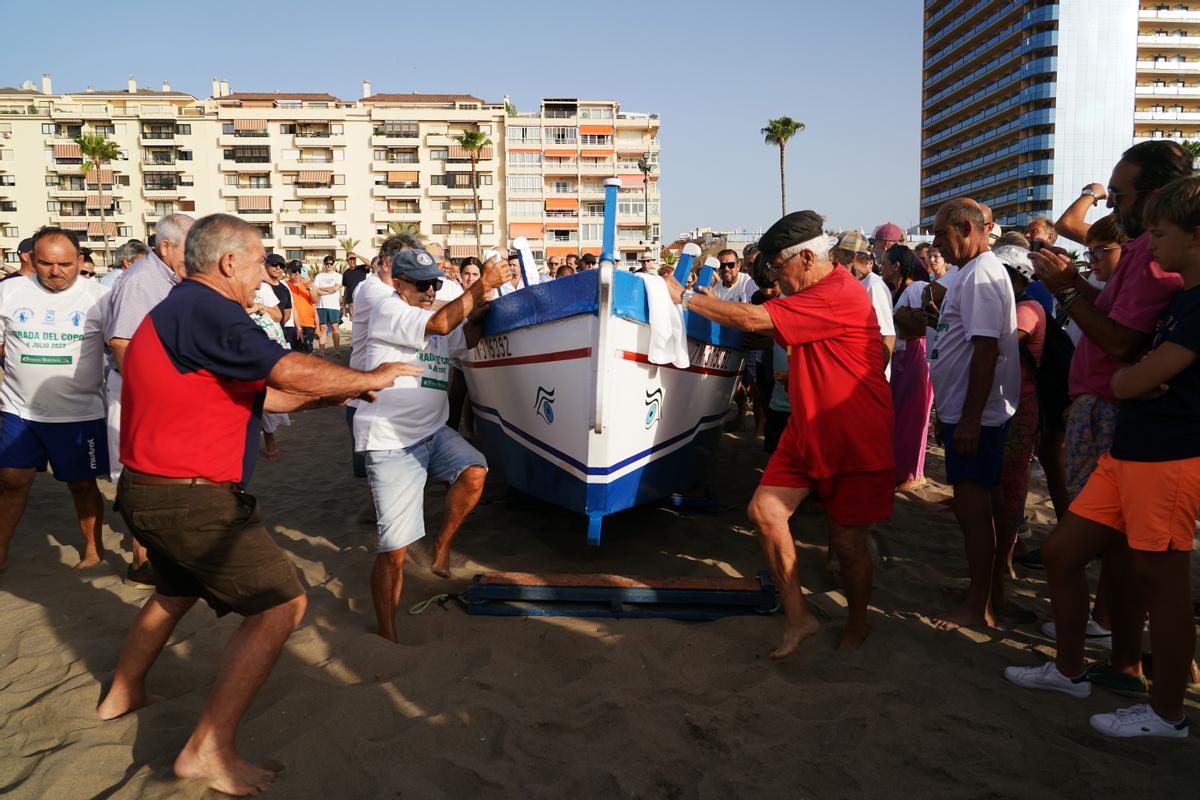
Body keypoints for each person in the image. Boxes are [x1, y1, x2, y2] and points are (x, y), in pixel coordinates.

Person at [95, 214, 420, 796]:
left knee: (173, 592)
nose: (263, 275)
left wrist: (341, 393)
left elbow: (267, 393)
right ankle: (208, 748)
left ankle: (122, 692)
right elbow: (285, 367)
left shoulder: (177, 313)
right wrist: (364, 373)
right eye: (258, 263)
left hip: (148, 491)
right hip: (190, 496)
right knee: (281, 607)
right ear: (228, 262)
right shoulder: (208, 308)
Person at [1005, 174, 1200, 739]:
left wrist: (1134, 379)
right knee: (1064, 553)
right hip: (1130, 452)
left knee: (1162, 585)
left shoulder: (1196, 306)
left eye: (1161, 234)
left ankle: (1166, 714)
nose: (1151, 246)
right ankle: (1069, 669)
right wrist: (1135, 378)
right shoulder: (1182, 298)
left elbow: (1135, 375)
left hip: (1167, 458)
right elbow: (1136, 372)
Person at [665, 211, 895, 654]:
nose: (775, 278)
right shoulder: (819, 292)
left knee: (848, 545)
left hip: (855, 434)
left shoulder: (836, 292)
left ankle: (859, 623)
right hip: (808, 427)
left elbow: (754, 321)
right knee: (765, 512)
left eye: (778, 268)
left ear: (807, 257)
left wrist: (686, 299)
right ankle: (799, 617)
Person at [355, 249, 512, 642]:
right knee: (394, 550)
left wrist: (480, 311)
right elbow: (442, 325)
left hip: (433, 431)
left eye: (435, 284)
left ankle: (441, 546)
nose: (429, 291)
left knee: (475, 471)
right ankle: (387, 631)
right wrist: (482, 285)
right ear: (399, 284)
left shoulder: (433, 314)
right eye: (422, 285)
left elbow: (465, 340)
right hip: (391, 440)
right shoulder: (389, 311)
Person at [927, 198, 1020, 630]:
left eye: (942, 234)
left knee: (972, 509)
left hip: (976, 416)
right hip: (968, 411)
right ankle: (984, 590)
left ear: (966, 228)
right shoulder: (972, 273)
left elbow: (986, 352)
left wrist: (968, 418)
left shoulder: (982, 274)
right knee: (979, 505)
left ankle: (978, 604)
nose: (936, 244)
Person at [0, 227, 110, 572]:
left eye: (64, 263)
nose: (55, 271)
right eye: (46, 263)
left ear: (79, 261)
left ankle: (93, 550)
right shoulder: (10, 291)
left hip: (79, 412)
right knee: (11, 481)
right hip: (18, 409)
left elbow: (122, 347)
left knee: (81, 484)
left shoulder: (100, 296)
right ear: (32, 259)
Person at [104, 213, 194, 586]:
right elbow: (122, 344)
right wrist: (151, 395)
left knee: (166, 474)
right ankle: (142, 560)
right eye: (192, 247)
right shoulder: (142, 281)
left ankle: (162, 551)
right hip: (138, 394)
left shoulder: (174, 279)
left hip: (165, 393)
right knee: (138, 476)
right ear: (166, 246)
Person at [992, 246, 1046, 603]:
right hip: (1007, 403)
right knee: (1001, 484)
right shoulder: (1012, 308)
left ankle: (1005, 564)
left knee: (1009, 486)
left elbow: (1002, 346)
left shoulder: (1026, 309)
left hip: (1019, 407)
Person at [348, 233, 420, 481]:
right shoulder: (373, 290)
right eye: (406, 261)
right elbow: (422, 305)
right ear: (388, 264)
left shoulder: (390, 290)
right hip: (367, 401)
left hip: (386, 397)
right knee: (377, 480)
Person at [890, 246, 934, 490]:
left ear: (897, 265)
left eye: (885, 261)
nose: (882, 265)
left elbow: (921, 326)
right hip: (902, 356)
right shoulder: (899, 291)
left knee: (914, 414)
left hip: (915, 354)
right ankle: (901, 468)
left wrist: (897, 316)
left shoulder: (916, 288)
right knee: (901, 413)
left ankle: (912, 473)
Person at [836, 232, 896, 379]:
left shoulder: (873, 286)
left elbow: (887, 336)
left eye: (837, 255)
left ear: (852, 256)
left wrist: (875, 376)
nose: (834, 261)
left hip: (868, 377)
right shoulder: (856, 284)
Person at [285, 261, 317, 353]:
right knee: (292, 353)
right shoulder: (284, 285)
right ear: (288, 272)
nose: (297, 273)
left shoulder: (309, 285)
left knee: (307, 352)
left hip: (308, 324)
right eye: (294, 270)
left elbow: (315, 300)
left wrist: (308, 285)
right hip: (291, 324)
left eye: (299, 270)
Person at [313, 255, 342, 355]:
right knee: (323, 329)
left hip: (333, 306)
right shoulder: (319, 276)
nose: (329, 265)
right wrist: (328, 290)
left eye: (331, 263)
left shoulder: (338, 276)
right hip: (321, 306)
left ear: (333, 264)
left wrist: (322, 289)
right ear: (324, 264)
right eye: (327, 263)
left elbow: (335, 288)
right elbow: (315, 290)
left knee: (335, 328)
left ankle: (337, 351)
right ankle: (321, 352)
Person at [263, 254, 294, 348]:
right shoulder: (258, 286)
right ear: (265, 265)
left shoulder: (285, 289)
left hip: (280, 336)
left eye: (281, 266)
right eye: (274, 264)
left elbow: (287, 314)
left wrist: (275, 325)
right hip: (260, 337)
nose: (278, 268)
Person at [340, 252, 369, 320]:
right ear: (347, 261)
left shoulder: (362, 268)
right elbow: (346, 290)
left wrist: (358, 255)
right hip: (351, 303)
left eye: (353, 259)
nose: (352, 261)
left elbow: (369, 263)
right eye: (350, 259)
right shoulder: (346, 273)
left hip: (363, 301)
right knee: (355, 325)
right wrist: (343, 307)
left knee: (365, 323)